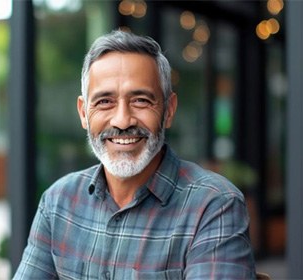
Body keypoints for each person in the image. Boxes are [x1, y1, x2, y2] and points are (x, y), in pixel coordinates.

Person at [13, 30, 256, 279]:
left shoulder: (214, 205)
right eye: (104, 102)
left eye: (140, 100)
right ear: (84, 113)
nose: (122, 120)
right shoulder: (58, 201)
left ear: (169, 110)